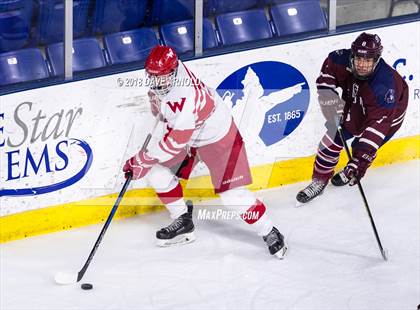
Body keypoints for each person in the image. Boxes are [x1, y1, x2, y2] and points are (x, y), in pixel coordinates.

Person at [123, 45, 287, 259]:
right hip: (191, 134)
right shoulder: (171, 73)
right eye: (153, 78)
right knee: (156, 171)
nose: (157, 83)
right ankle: (183, 220)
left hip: (218, 137)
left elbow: (177, 140)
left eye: (162, 78)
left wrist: (142, 159)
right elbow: (171, 119)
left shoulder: (183, 94)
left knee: (232, 197)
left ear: (173, 72)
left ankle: (269, 230)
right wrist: (158, 106)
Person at [296, 32, 409, 204]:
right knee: (331, 139)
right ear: (352, 55)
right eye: (358, 59)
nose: (362, 65)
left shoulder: (384, 87)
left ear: (376, 59)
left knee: (362, 148)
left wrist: (359, 161)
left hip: (389, 113)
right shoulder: (341, 59)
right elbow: (327, 74)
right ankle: (319, 180)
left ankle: (351, 169)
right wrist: (330, 102)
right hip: (357, 101)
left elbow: (375, 131)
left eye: (368, 61)